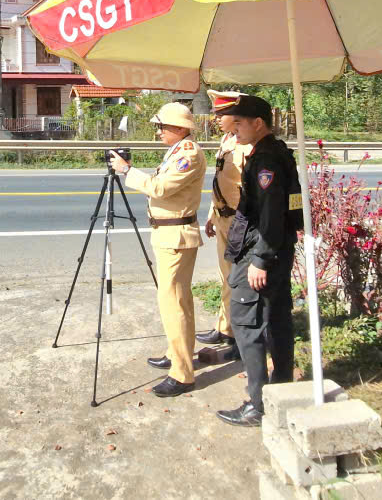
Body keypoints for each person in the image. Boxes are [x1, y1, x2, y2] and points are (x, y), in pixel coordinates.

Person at [212, 94, 303, 427]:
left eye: (238, 123)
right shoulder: (275, 152)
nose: (233, 130)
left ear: (258, 124)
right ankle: (281, 393)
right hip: (278, 250)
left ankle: (259, 404)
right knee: (277, 320)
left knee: (246, 322)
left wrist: (260, 260)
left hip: (263, 251)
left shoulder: (265, 162)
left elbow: (270, 216)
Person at [108, 101, 206, 397]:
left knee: (174, 304)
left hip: (176, 237)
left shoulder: (187, 154)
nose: (159, 131)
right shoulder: (177, 150)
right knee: (176, 302)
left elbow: (160, 188)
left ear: (179, 128)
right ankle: (176, 353)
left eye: (162, 126)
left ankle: (182, 373)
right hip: (169, 235)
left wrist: (127, 171)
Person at [198, 89, 254, 349]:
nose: (216, 118)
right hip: (222, 218)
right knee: (225, 276)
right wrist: (211, 215)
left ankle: (237, 333)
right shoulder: (228, 141)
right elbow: (222, 181)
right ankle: (225, 326)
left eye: (222, 113)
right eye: (216, 113)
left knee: (236, 278)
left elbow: (248, 190)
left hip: (238, 222)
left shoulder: (249, 146)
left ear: (237, 115)